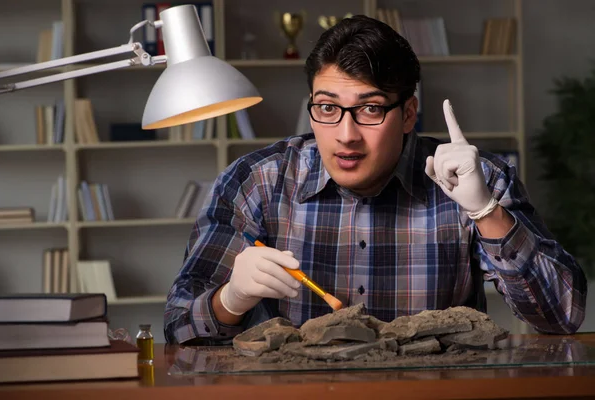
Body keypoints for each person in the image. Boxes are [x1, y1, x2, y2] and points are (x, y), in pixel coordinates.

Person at [163, 15, 587, 345]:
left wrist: (485, 212)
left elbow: (562, 316)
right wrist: (230, 301)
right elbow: (179, 326)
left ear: (407, 114)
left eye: (370, 110)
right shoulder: (259, 181)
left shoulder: (472, 180)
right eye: (327, 108)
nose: (346, 134)